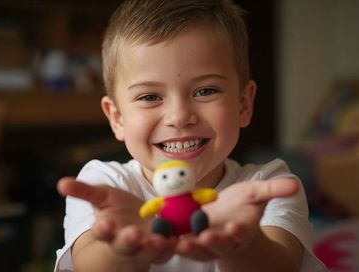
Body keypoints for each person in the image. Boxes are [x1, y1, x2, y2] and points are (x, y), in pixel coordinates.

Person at [54, 0, 327, 271]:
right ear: (117, 118)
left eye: (205, 91)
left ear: (243, 104)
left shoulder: (265, 187)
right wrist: (122, 250)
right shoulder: (105, 186)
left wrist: (243, 244)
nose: (179, 116)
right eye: (150, 96)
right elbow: (90, 265)